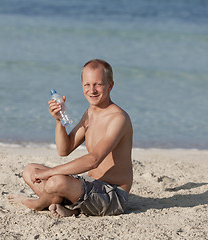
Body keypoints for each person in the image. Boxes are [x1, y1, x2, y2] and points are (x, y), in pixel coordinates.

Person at [8, 59, 133, 217]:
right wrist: (59, 121)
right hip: (88, 185)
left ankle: (38, 204)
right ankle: (68, 207)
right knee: (30, 170)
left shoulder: (118, 118)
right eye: (87, 85)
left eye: (98, 84)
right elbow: (64, 150)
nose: (92, 90)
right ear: (82, 86)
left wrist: (50, 173)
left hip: (113, 195)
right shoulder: (90, 113)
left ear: (110, 85)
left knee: (55, 181)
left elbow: (94, 159)